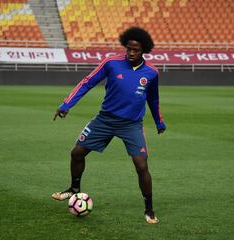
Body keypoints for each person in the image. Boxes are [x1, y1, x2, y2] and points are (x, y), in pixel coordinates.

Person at [52, 27, 166, 224]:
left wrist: (159, 121)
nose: (131, 53)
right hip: (105, 120)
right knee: (77, 153)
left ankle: (149, 209)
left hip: (131, 125)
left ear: (143, 50)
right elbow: (87, 82)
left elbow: (153, 99)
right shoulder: (111, 63)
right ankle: (74, 189)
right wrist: (67, 104)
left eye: (136, 50)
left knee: (141, 165)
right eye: (128, 48)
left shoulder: (152, 73)